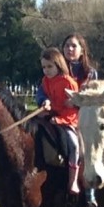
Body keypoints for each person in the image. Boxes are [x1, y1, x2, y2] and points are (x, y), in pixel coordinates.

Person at [61, 33, 100, 207]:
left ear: (82, 50)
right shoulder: (56, 68)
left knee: (83, 151)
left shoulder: (90, 73)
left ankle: (90, 196)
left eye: (73, 46)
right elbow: (44, 88)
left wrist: (75, 103)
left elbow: (91, 97)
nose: (70, 49)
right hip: (57, 116)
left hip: (81, 119)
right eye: (67, 45)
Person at [38, 47, 81, 196]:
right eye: (44, 67)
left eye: (50, 66)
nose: (46, 70)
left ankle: (73, 179)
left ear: (58, 64)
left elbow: (73, 108)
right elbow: (44, 97)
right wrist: (45, 103)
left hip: (68, 120)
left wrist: (60, 119)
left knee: (74, 145)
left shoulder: (69, 82)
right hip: (51, 115)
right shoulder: (45, 81)